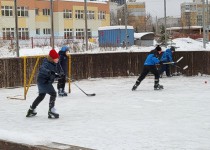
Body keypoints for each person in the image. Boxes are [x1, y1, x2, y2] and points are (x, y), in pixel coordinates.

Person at [26, 49, 61, 119]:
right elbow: (42, 69)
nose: (57, 59)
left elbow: (53, 74)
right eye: (56, 58)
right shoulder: (46, 63)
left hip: (43, 81)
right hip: (44, 82)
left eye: (58, 58)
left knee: (41, 96)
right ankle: (51, 111)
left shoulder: (54, 64)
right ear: (52, 58)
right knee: (53, 93)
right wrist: (49, 72)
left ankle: (31, 110)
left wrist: (58, 75)